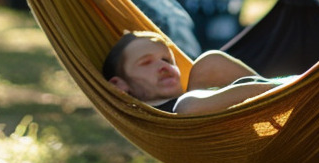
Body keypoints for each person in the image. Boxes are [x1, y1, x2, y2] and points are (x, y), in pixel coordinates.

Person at [103, 31, 292, 115]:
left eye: (167, 60)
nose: (163, 66)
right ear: (119, 85)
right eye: (146, 63)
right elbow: (189, 108)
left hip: (271, 110)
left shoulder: (195, 95)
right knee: (186, 106)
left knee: (210, 61)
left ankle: (292, 91)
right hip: (197, 125)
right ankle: (290, 89)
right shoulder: (150, 122)